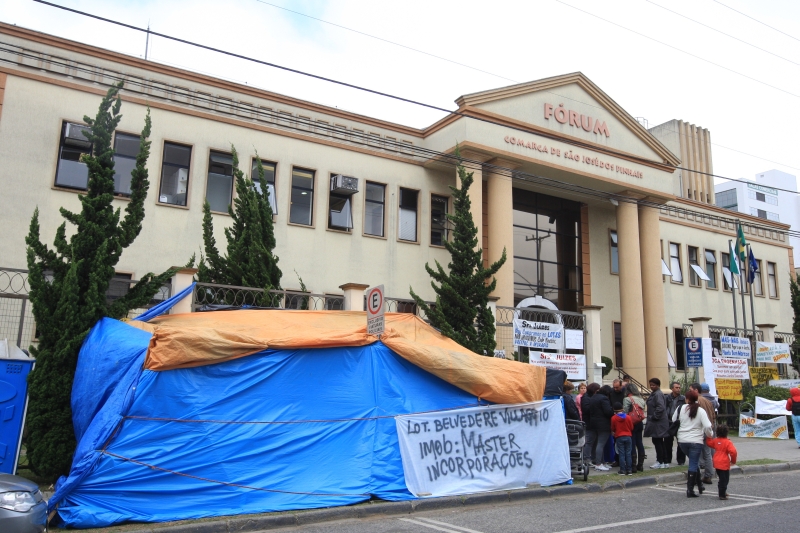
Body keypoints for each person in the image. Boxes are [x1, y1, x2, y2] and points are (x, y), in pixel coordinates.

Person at [673, 389, 713, 498]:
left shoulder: (680, 408)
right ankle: (690, 489)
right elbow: (707, 426)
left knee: (693, 461)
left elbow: (673, 420)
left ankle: (700, 485)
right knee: (693, 463)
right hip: (696, 440)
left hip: (682, 440)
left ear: (686, 399)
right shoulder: (700, 411)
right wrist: (710, 435)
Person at [690, 382, 717, 484]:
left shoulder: (697, 401)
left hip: (701, 429)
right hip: (709, 428)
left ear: (696, 390)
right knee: (707, 453)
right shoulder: (708, 401)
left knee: (700, 453)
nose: (689, 392)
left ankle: (701, 474)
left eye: (691, 389)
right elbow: (713, 415)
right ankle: (708, 474)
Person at [706, 425, 737, 500]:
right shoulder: (728, 442)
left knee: (721, 478)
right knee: (725, 479)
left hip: (716, 462)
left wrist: (709, 436)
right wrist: (733, 461)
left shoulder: (716, 440)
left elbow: (709, 443)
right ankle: (722, 494)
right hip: (724, 463)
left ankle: (722, 491)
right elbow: (733, 452)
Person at [644, 377, 670, 468]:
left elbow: (660, 407)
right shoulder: (654, 394)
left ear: (658, 385)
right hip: (658, 421)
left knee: (657, 441)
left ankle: (660, 461)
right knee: (659, 441)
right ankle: (664, 461)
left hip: (658, 422)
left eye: (653, 385)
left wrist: (654, 417)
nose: (652, 386)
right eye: (650, 385)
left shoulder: (657, 394)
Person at [588, 384, 614, 471]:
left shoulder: (593, 397)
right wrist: (612, 411)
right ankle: (599, 463)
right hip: (603, 424)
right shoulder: (604, 399)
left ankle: (601, 462)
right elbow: (608, 412)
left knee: (597, 444)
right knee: (601, 444)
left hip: (593, 423)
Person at [622, 383, 646, 472]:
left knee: (631, 443)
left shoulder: (627, 399)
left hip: (631, 423)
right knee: (639, 442)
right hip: (639, 422)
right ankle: (640, 465)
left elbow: (625, 412)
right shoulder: (641, 399)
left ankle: (633, 466)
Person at [665, 381, 686, 466]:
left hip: (679, 422)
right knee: (667, 442)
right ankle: (668, 459)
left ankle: (680, 460)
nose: (678, 389)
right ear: (672, 388)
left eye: (679, 387)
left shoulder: (683, 398)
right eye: (676, 388)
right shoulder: (667, 398)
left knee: (680, 441)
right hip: (669, 422)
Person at [611, 402, 634, 475]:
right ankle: (629, 470)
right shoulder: (628, 417)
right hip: (628, 436)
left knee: (621, 454)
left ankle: (622, 470)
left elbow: (613, 428)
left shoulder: (613, 418)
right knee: (628, 453)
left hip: (619, 437)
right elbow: (631, 427)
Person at [581, 383, 600, 466]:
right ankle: (587, 459)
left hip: (592, 422)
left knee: (593, 441)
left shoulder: (588, 397)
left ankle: (592, 458)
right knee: (589, 441)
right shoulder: (586, 398)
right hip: (589, 422)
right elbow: (586, 409)